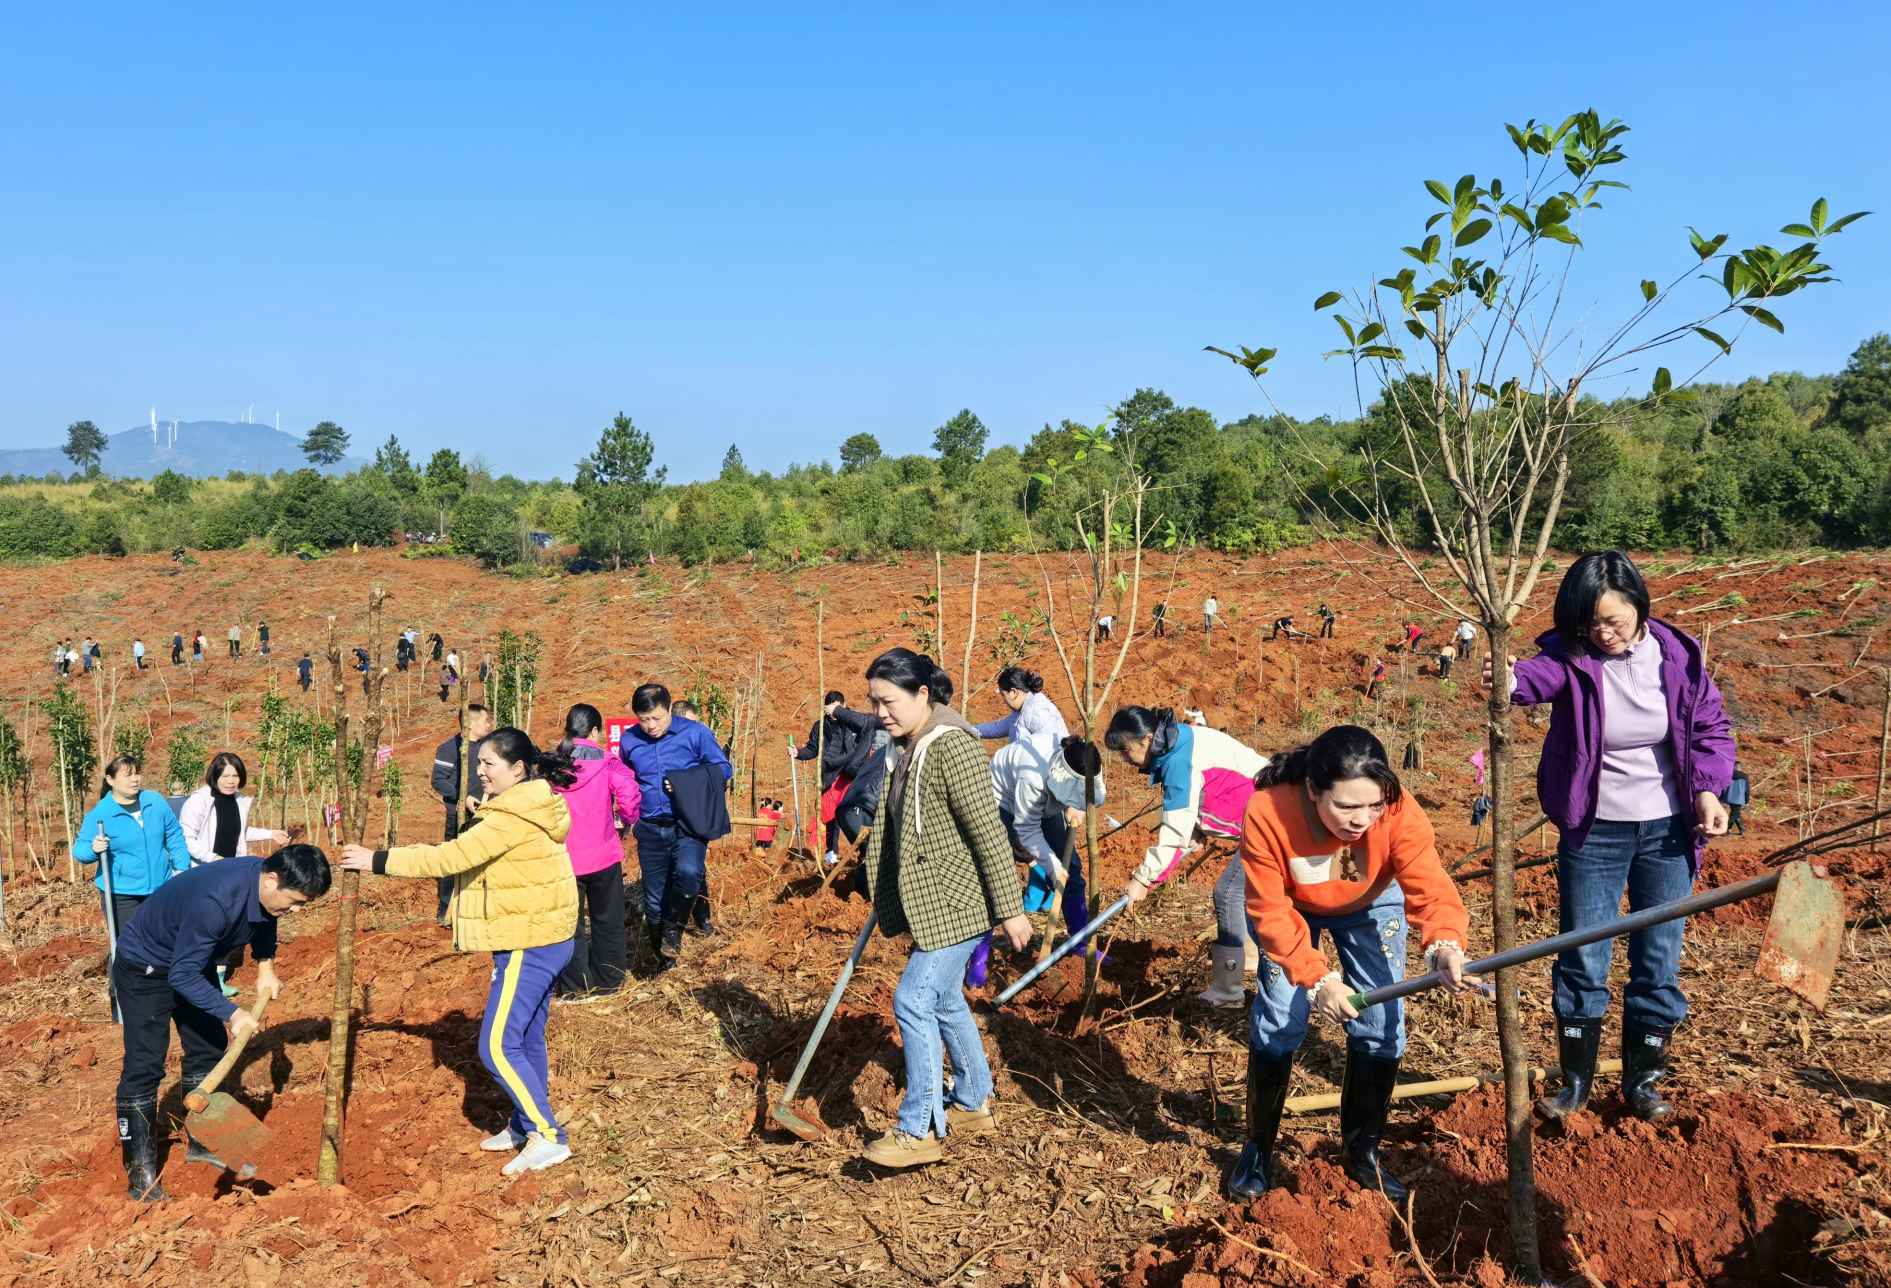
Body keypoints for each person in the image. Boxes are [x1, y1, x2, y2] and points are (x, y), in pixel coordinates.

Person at [1490, 550, 1734, 1124]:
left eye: (1615, 621)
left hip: (1669, 830)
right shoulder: (1573, 658)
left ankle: (1643, 1081)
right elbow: (1533, 677)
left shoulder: (1678, 658)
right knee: (1583, 950)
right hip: (1594, 829)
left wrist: (1707, 789)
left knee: (1658, 954)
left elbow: (1709, 728)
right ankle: (1575, 1079)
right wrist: (1507, 679)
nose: (1604, 634)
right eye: (1591, 624)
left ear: (1639, 608)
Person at [1228, 725, 1473, 1201]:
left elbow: (1429, 882)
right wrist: (1319, 980)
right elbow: (1270, 910)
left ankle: (1363, 1154)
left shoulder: (1399, 811)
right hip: (1292, 908)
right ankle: (1257, 1149)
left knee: (1382, 1024)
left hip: (1372, 904)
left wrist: (1444, 941)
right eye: (1346, 807)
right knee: (1280, 1019)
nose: (1362, 820)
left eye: (1373, 806)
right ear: (1314, 791)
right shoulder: (1269, 810)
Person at [340, 728, 580, 1176]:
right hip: (543, 932)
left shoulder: (511, 817)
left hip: (529, 939)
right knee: (525, 1038)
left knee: (496, 1047)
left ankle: (548, 1136)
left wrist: (376, 860)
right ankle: (527, 1122)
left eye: (490, 764)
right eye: (481, 763)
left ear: (518, 769)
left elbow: (448, 859)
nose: (482, 772)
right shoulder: (528, 804)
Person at [858, 648, 1028, 1169]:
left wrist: (1011, 909)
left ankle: (919, 1129)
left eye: (889, 702)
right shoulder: (905, 747)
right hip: (930, 899)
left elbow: (987, 833)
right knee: (946, 1000)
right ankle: (974, 1101)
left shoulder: (951, 747)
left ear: (923, 695)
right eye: (874, 702)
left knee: (912, 999)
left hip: (955, 903)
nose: (880, 712)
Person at [111, 844, 331, 1201]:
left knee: (209, 1047)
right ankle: (141, 1173)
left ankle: (204, 1140)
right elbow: (181, 976)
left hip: (189, 963)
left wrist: (265, 967)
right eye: (295, 901)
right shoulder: (216, 902)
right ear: (272, 878)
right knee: (145, 1065)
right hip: (146, 967)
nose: (294, 911)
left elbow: (265, 921)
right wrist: (233, 1012)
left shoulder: (262, 887)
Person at [1108, 705, 1269, 1007]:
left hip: (1272, 819)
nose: (1125, 760)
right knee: (1242, 894)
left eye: (1126, 751)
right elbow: (1216, 788)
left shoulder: (1179, 761)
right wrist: (1199, 829)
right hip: (1266, 815)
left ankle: (1228, 988)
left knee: (1228, 893)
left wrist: (1144, 879)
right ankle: (1250, 959)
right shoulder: (1181, 740)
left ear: (1145, 740)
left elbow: (1175, 834)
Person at [617, 683, 733, 972]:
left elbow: (723, 768)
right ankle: (663, 958)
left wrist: (686, 780)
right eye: (644, 720)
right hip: (650, 828)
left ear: (669, 709)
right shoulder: (630, 741)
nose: (651, 726)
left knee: (690, 872)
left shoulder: (694, 733)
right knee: (654, 901)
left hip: (687, 823)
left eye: (656, 718)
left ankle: (675, 929)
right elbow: (625, 778)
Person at [178, 753, 293, 994]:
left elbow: (240, 833)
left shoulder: (239, 801)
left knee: (231, 921)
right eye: (226, 775)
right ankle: (198, 975)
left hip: (233, 871)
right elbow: (186, 837)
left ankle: (219, 977)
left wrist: (270, 833)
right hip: (207, 872)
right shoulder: (199, 801)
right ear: (215, 775)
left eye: (235, 776)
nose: (231, 781)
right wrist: (211, 857)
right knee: (210, 921)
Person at [550, 704, 641, 1000]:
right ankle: (609, 980)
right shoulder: (607, 761)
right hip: (603, 856)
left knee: (568, 924)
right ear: (595, 732)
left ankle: (576, 985)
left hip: (563, 859)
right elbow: (628, 794)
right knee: (607, 918)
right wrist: (627, 821)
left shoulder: (552, 762)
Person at [75, 755, 193, 955]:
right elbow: (80, 851)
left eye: (137, 773)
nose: (135, 779)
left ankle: (162, 985)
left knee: (164, 942)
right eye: (128, 775)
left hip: (160, 886)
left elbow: (174, 835)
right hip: (122, 893)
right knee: (128, 949)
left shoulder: (154, 801)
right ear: (110, 780)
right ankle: (120, 987)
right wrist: (93, 849)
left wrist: (181, 868)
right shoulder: (101, 813)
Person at [991, 734, 1101, 933]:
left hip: (1046, 798)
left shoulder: (1083, 758)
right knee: (994, 868)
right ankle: (978, 954)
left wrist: (1078, 805)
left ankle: (1081, 941)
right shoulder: (1031, 778)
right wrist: (1053, 868)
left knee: (1071, 869)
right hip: (1003, 800)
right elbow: (1027, 830)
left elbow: (1089, 787)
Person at [794, 691, 883, 864]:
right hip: (831, 775)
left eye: (836, 708)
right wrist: (798, 752)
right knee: (830, 814)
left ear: (843, 705)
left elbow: (869, 725)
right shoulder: (820, 726)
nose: (833, 714)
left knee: (856, 813)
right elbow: (813, 749)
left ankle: (864, 852)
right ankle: (831, 853)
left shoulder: (854, 721)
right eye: (829, 710)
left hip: (854, 774)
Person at [432, 704, 495, 923]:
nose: (489, 725)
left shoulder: (490, 747)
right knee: (453, 858)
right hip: (458, 814)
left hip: (486, 813)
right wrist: (463, 798)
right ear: (472, 723)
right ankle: (446, 908)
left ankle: (477, 908)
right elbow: (438, 780)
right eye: (485, 720)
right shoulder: (449, 749)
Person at [974, 667, 1070, 748]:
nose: (1003, 700)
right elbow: (997, 728)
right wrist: (969, 730)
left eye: (1003, 695)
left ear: (1013, 692)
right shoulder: (1021, 711)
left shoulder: (1037, 711)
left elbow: (1054, 747)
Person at [1724, 764, 1748, 835]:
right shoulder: (1744, 776)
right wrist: (1746, 800)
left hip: (1730, 797)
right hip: (1739, 798)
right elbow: (1747, 790)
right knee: (1734, 814)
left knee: (1736, 813)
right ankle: (1726, 828)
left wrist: (1723, 797)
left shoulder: (1729, 775)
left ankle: (1741, 829)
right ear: (1740, 768)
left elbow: (1724, 786)